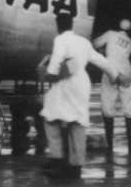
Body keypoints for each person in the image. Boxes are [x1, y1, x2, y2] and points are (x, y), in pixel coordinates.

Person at [39, 12, 117, 173]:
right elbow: (101, 61)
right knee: (78, 122)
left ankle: (56, 158)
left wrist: (51, 73)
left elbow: (58, 57)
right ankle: (76, 164)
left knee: (50, 117)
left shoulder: (60, 39)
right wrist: (115, 75)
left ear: (58, 25)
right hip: (81, 83)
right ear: (71, 25)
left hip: (64, 84)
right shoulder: (84, 42)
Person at [93, 18, 131, 153]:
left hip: (111, 71)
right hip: (126, 71)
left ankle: (109, 142)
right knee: (129, 105)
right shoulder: (130, 42)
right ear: (129, 31)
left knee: (108, 105)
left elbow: (95, 43)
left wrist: (103, 52)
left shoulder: (110, 34)